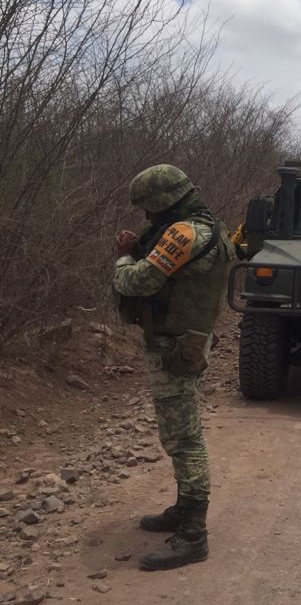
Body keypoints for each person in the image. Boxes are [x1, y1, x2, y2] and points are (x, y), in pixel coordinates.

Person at [111, 164, 235, 570]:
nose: (147, 216)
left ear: (164, 201)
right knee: (181, 433)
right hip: (186, 342)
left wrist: (124, 258)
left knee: (184, 439)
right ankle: (184, 509)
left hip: (175, 348)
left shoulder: (184, 233)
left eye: (149, 207)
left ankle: (193, 534)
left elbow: (138, 282)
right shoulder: (210, 227)